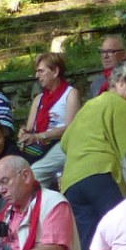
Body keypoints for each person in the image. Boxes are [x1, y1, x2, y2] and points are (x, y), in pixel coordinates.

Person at [60, 60, 126, 250]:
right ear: (120, 81)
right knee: (122, 237)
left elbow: (65, 142)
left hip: (72, 183)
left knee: (89, 246)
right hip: (101, 176)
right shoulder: (121, 105)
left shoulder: (90, 105)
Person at [20, 50, 80, 185]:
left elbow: (70, 129)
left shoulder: (70, 94)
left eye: (41, 71)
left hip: (62, 144)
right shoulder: (39, 99)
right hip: (40, 147)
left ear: (55, 72)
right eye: (37, 71)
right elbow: (30, 129)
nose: (37, 75)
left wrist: (39, 136)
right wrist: (24, 132)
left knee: (34, 173)